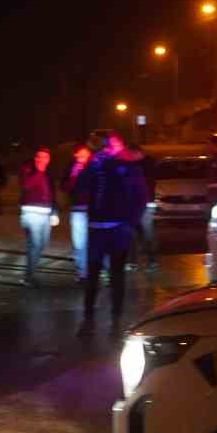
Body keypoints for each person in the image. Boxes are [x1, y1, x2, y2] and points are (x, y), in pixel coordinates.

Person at [79, 131, 147, 336]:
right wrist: (90, 165)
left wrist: (130, 224)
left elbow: (140, 196)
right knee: (92, 275)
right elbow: (80, 186)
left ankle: (116, 319)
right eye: (105, 145)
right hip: (97, 228)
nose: (108, 149)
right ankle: (88, 319)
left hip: (117, 228)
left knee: (117, 275)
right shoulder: (95, 165)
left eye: (112, 145)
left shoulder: (128, 167)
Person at [18, 145, 55, 286]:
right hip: (31, 213)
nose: (42, 159)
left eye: (45, 157)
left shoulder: (48, 174)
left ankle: (29, 274)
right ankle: (29, 276)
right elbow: (26, 186)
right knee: (35, 244)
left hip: (46, 214)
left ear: (49, 159)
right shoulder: (27, 169)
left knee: (42, 244)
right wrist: (39, 172)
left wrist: (54, 212)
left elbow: (52, 194)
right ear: (35, 157)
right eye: (39, 156)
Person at [60, 144, 92, 283]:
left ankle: (101, 270)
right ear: (75, 155)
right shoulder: (71, 168)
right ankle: (82, 273)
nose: (83, 157)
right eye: (80, 154)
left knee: (96, 241)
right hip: (78, 210)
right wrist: (74, 174)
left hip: (93, 211)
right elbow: (64, 187)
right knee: (79, 243)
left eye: (86, 154)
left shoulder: (94, 167)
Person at [130, 141, 160, 273]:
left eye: (131, 154)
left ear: (137, 152)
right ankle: (135, 262)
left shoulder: (147, 164)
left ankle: (151, 261)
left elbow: (149, 183)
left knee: (147, 233)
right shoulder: (135, 164)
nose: (130, 156)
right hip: (137, 203)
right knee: (134, 233)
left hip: (145, 203)